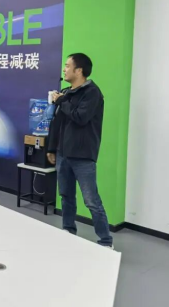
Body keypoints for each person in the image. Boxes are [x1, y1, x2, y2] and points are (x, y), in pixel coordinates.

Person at [47, 53, 113, 249]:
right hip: (63, 154)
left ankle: (105, 241)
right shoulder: (66, 93)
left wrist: (61, 101)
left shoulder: (92, 93)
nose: (64, 69)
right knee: (66, 196)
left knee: (91, 200)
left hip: (83, 156)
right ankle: (68, 230)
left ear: (79, 70)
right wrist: (51, 148)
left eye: (68, 66)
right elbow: (56, 123)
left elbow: (81, 117)